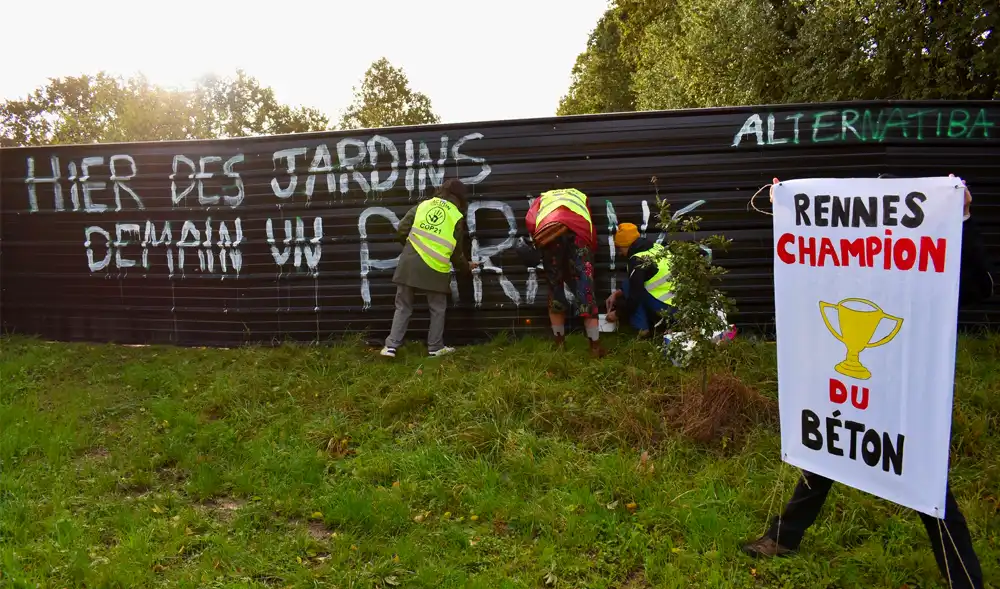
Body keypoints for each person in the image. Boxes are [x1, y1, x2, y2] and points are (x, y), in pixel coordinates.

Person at [744, 175, 988, 589]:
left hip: (905, 388)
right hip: (851, 386)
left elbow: (981, 289)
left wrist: (962, 218)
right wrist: (789, 206)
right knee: (829, 448)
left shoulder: (927, 269)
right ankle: (783, 537)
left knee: (922, 478)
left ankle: (965, 579)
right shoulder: (856, 273)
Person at [381, 179, 477, 358]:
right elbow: (456, 252)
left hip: (409, 263)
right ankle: (435, 347)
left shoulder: (423, 205)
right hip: (435, 267)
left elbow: (402, 229)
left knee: (403, 306)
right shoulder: (455, 215)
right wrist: (466, 267)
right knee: (437, 308)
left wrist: (411, 249)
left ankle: (391, 347)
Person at [525, 187, 607, 358]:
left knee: (555, 290)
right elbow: (589, 224)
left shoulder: (543, 199)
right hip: (579, 235)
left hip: (550, 234)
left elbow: (531, 221)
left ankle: (559, 345)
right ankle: (594, 347)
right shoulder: (580, 197)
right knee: (586, 291)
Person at [604, 223, 675, 337]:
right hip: (681, 304)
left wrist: (617, 314)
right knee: (630, 284)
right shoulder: (655, 247)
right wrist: (617, 293)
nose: (619, 253)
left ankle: (642, 330)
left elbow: (635, 296)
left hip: (668, 307)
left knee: (632, 289)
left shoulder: (638, 260)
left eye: (619, 248)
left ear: (625, 245)